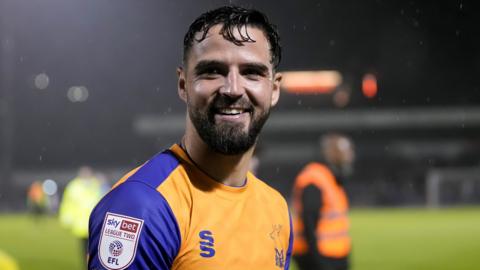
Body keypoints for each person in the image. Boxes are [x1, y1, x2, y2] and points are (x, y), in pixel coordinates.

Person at [88, 6, 292, 270]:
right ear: (183, 85)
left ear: (274, 89)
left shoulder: (275, 207)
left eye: (251, 72)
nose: (232, 89)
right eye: (213, 71)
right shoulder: (141, 207)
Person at [292, 134, 354, 270]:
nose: (349, 156)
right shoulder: (315, 179)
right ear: (331, 154)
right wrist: (318, 261)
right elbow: (308, 222)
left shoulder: (330, 178)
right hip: (320, 256)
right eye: (344, 151)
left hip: (333, 253)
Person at [59, 166, 107, 262]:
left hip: (96, 224)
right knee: (85, 249)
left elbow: (105, 197)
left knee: (98, 249)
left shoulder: (97, 184)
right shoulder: (73, 186)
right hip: (81, 225)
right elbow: (68, 203)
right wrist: (66, 218)